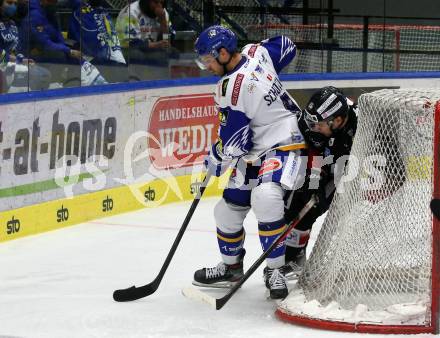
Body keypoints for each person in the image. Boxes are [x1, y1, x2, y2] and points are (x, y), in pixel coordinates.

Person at [192, 25, 304, 299]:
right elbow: (288, 45)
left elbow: (233, 144)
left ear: (222, 53)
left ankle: (274, 270)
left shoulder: (229, 90)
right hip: (256, 148)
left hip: (284, 141)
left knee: (265, 197)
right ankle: (231, 268)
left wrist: (212, 162)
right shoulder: (256, 51)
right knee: (226, 211)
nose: (205, 66)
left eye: (207, 59)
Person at [283, 86, 358, 279]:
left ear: (338, 120)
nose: (313, 128)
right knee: (295, 207)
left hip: (351, 171)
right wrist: (314, 180)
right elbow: (313, 150)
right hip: (322, 164)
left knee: (316, 208)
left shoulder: (361, 123)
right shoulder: (313, 124)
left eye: (319, 125)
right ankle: (293, 259)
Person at [19, 0, 82, 86]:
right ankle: (55, 82)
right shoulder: (35, 15)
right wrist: (68, 51)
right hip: (31, 52)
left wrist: (68, 49)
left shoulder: (50, 12)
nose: (55, 3)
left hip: (47, 48)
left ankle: (73, 84)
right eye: (52, 1)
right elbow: (45, 44)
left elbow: (58, 35)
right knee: (60, 54)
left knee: (74, 49)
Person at [67, 0, 128, 84]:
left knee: (123, 73)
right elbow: (88, 42)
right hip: (87, 57)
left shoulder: (103, 12)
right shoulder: (79, 11)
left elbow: (112, 37)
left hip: (105, 56)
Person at [0, 0, 51, 92]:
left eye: (15, 4)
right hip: (3, 64)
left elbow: (15, 48)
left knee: (44, 74)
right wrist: (14, 60)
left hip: (11, 63)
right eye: (9, 2)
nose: (13, 6)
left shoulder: (12, 24)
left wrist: (22, 59)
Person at [115, 0, 170, 81]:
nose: (159, 6)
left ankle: (161, 84)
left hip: (150, 48)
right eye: (156, 2)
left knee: (170, 53)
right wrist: (157, 45)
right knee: (137, 54)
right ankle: (137, 84)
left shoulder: (163, 13)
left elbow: (165, 41)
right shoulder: (131, 12)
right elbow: (133, 44)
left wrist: (163, 22)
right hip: (126, 49)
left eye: (161, 3)